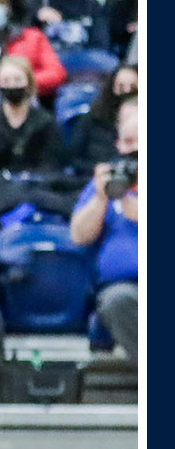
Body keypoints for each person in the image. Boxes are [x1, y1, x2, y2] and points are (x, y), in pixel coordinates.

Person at [0, 55, 74, 234]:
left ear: (29, 84)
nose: (12, 86)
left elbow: (53, 164)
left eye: (17, 80)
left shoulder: (47, 123)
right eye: (6, 81)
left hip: (40, 187)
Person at [70, 103, 138, 362]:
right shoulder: (104, 184)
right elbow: (78, 235)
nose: (134, 149)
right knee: (116, 301)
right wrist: (100, 199)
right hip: (124, 290)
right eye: (128, 141)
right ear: (119, 146)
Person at [67, 66, 135, 175]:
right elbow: (74, 158)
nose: (126, 91)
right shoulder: (91, 120)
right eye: (121, 86)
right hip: (89, 178)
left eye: (133, 87)